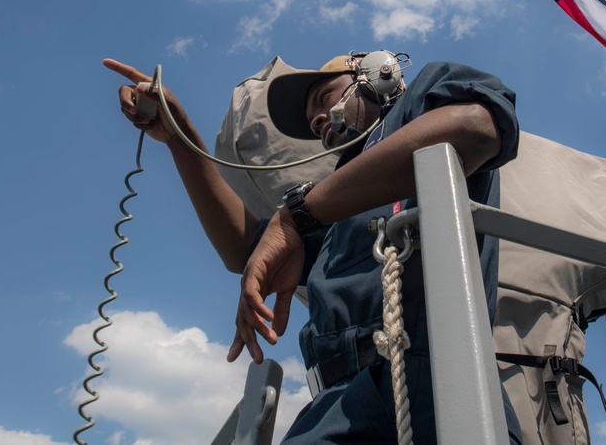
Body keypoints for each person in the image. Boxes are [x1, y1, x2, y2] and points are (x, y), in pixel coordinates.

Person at [105, 52, 523, 444]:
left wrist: (298, 213)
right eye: (312, 121)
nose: (319, 119)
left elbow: (474, 127)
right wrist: (179, 137)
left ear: (380, 73)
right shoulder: (336, 209)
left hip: (433, 382)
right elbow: (245, 250)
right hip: (339, 404)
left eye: (325, 98)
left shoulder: (425, 94)